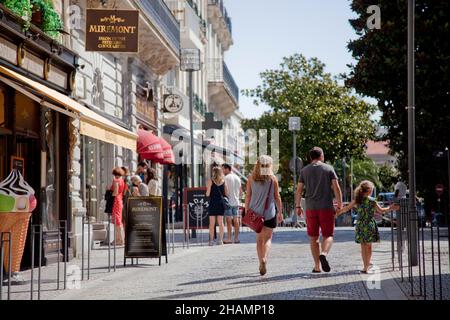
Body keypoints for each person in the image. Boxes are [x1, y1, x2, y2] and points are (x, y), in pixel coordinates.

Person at [296, 147, 342, 273]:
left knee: (313, 237)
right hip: (326, 207)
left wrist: (298, 206)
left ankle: (317, 266)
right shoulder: (328, 168)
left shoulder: (304, 171)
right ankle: (324, 254)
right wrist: (339, 204)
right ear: (321, 156)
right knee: (328, 235)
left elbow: (299, 190)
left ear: (311, 157)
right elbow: (336, 188)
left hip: (310, 208)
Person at [337, 181, 399, 273]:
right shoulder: (372, 200)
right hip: (369, 225)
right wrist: (391, 208)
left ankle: (365, 266)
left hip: (361, 224)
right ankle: (366, 266)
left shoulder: (357, 200)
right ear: (369, 190)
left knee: (363, 246)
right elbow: (381, 211)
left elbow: (347, 208)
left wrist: (338, 212)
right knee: (368, 247)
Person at [245, 155, 283, 276]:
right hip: (269, 213)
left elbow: (248, 196)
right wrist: (280, 212)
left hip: (255, 214)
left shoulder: (251, 178)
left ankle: (260, 260)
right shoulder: (273, 179)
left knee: (259, 240)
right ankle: (265, 259)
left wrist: (247, 210)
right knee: (268, 239)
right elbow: (277, 197)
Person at [206, 166, 228, 246]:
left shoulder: (210, 181)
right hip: (221, 204)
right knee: (221, 222)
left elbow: (207, 194)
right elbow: (226, 194)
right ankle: (220, 240)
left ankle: (211, 241)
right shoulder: (224, 181)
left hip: (212, 203)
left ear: (214, 173)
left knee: (212, 223)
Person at [222, 163, 242, 244]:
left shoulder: (225, 178)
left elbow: (225, 192)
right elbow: (241, 192)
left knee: (229, 221)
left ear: (227, 169)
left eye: (223, 169)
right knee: (236, 220)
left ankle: (229, 238)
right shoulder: (238, 178)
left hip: (228, 202)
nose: (222, 171)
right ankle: (236, 238)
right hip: (236, 202)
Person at [111, 167, 126, 246]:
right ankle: (119, 239)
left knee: (117, 221)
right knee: (118, 221)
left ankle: (119, 239)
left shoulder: (116, 180)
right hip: (120, 200)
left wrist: (111, 194)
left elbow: (115, 192)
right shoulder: (122, 180)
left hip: (116, 201)